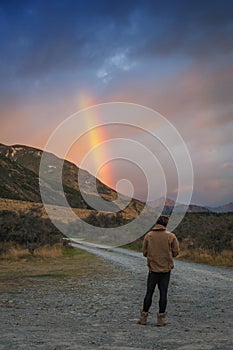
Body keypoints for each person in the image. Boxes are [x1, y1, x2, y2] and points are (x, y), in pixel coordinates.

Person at [137, 215, 179, 326]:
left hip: (152, 270)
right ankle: (161, 319)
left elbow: (144, 252)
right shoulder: (171, 236)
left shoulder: (149, 235)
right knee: (163, 293)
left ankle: (143, 318)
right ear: (166, 224)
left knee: (149, 293)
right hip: (166, 270)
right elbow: (176, 252)